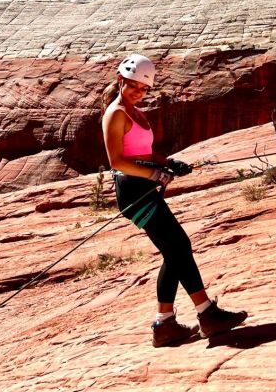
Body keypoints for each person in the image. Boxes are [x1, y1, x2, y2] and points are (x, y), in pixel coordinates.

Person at [102, 54, 248, 347]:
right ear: (120, 80)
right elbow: (117, 161)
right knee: (179, 246)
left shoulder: (134, 112)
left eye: (143, 88)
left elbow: (142, 152)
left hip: (143, 187)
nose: (138, 92)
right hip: (133, 191)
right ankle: (206, 313)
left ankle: (165, 324)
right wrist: (155, 174)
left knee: (174, 251)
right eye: (133, 85)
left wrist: (167, 162)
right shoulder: (116, 113)